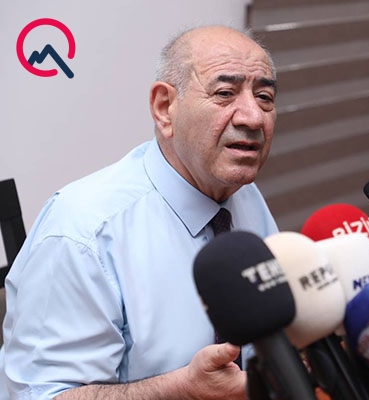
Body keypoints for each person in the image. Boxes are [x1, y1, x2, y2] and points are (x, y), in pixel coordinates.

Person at [0, 25, 279, 399]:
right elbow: (40, 396)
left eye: (264, 97)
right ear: (165, 108)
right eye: (225, 94)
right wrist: (181, 392)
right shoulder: (84, 232)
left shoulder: (244, 196)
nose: (253, 117)